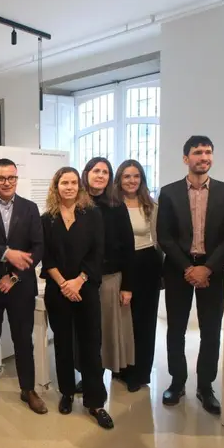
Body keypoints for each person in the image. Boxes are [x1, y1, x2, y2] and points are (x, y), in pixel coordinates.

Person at [156, 136, 224, 415]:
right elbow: (165, 237)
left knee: (211, 330)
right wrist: (189, 268)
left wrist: (208, 268)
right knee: (176, 330)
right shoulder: (168, 192)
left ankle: (205, 386)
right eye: (197, 152)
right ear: (185, 158)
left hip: (212, 270)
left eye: (208, 152)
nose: (203, 157)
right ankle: (177, 381)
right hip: (179, 269)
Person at [0, 158, 47, 416]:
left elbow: (38, 248)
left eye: (11, 178)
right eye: (1, 178)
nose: (6, 182)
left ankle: (28, 389)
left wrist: (13, 276)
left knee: (23, 339)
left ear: (17, 179)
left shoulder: (30, 208)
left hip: (20, 285)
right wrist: (7, 254)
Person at [41, 167, 113, 429]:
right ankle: (67, 392)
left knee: (91, 344)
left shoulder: (92, 214)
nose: (69, 187)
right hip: (58, 290)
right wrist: (63, 284)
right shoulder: (46, 218)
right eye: (64, 182)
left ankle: (95, 402)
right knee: (61, 343)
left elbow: (97, 252)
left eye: (73, 182)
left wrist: (79, 281)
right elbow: (45, 256)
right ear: (56, 186)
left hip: (86, 288)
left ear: (79, 187)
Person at [81, 157, 136, 383]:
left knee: (108, 331)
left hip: (110, 277)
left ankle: (103, 374)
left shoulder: (116, 206)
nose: (100, 175)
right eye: (96, 170)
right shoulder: (76, 205)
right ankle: (88, 376)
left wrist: (127, 286)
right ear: (86, 174)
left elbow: (128, 246)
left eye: (105, 172)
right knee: (86, 332)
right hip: (82, 279)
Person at [116, 159, 162, 393]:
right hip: (123, 266)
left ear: (142, 179)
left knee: (145, 322)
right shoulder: (113, 206)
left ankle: (140, 371)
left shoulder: (151, 206)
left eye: (136, 176)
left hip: (148, 266)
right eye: (126, 176)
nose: (132, 180)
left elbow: (158, 239)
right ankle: (122, 369)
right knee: (125, 321)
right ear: (119, 180)